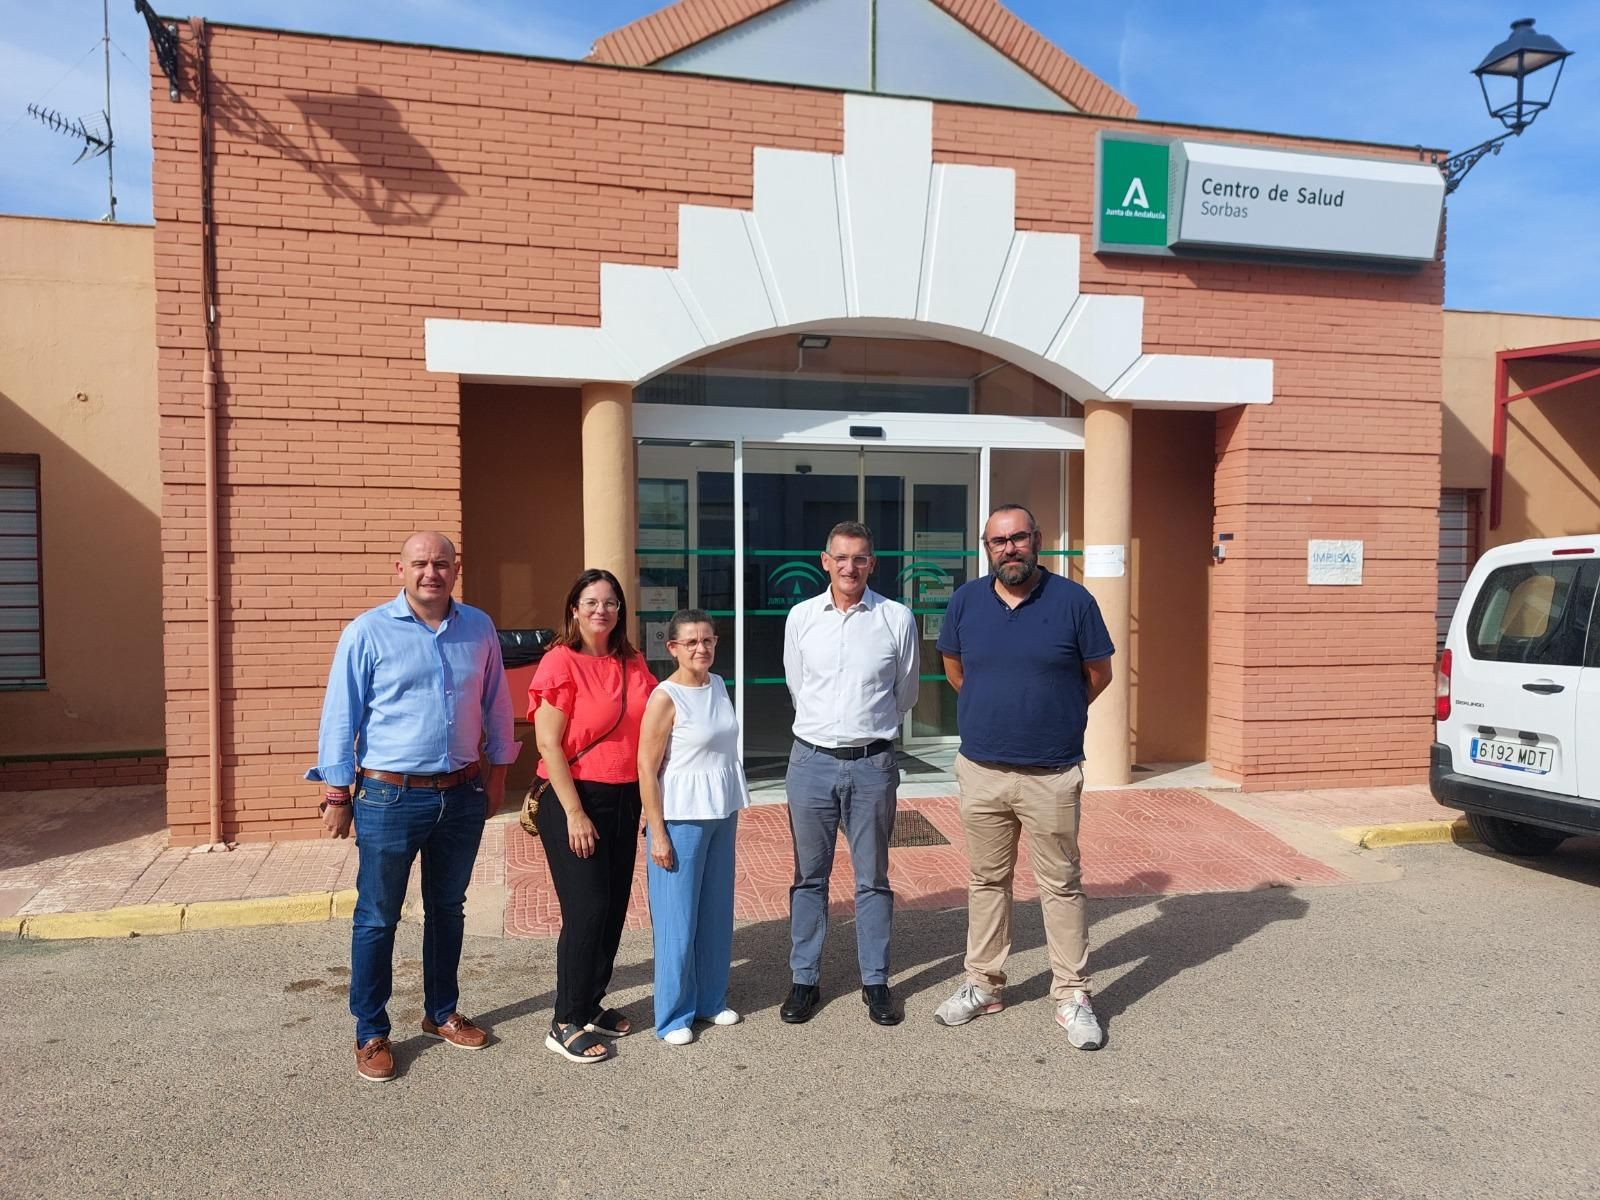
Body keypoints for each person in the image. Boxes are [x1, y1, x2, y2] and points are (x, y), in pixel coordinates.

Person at [308, 531, 519, 1083]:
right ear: (398, 569)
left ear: (457, 569)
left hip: (462, 793)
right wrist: (337, 793)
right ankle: (370, 1030)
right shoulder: (368, 632)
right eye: (421, 563)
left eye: (442, 564)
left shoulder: (478, 628)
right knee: (377, 917)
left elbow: (497, 704)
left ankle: (441, 1012)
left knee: (448, 909)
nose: (432, 572)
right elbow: (340, 716)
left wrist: (497, 775)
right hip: (387, 796)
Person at [933, 503, 1114, 1050]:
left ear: (1036, 540)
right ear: (986, 549)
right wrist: (1000, 713)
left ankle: (1072, 993)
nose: (1008, 549)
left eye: (1017, 539)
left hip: (1052, 773)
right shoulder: (966, 601)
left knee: (1060, 884)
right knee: (988, 881)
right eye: (997, 542)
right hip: (982, 769)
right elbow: (955, 669)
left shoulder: (1074, 601)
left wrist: (1051, 714)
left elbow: (1098, 674)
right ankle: (983, 984)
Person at [779, 520, 919, 1027]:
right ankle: (804, 980)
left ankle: (876, 981)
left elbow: (906, 693)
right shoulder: (800, 618)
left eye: (860, 558)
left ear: (871, 563)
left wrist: (865, 731)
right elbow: (798, 686)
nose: (850, 567)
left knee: (873, 880)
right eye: (841, 557)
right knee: (808, 878)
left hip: (872, 765)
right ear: (825, 561)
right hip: (810, 762)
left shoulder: (895, 618)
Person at [530, 567, 657, 1063]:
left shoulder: (633, 661)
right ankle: (564, 1020)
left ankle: (591, 1001)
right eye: (591, 602)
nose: (601, 610)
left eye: (610, 602)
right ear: (574, 610)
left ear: (620, 611)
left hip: (625, 797)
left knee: (613, 908)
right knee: (586, 911)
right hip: (574, 798)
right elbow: (547, 743)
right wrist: (576, 812)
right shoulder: (560, 663)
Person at [636, 609, 750, 1045]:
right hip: (681, 817)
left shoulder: (718, 684)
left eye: (707, 641)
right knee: (677, 920)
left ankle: (710, 1001)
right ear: (673, 648)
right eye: (691, 643)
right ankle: (672, 1016)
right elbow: (646, 767)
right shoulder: (666, 697)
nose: (701, 649)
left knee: (716, 912)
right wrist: (657, 831)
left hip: (721, 812)